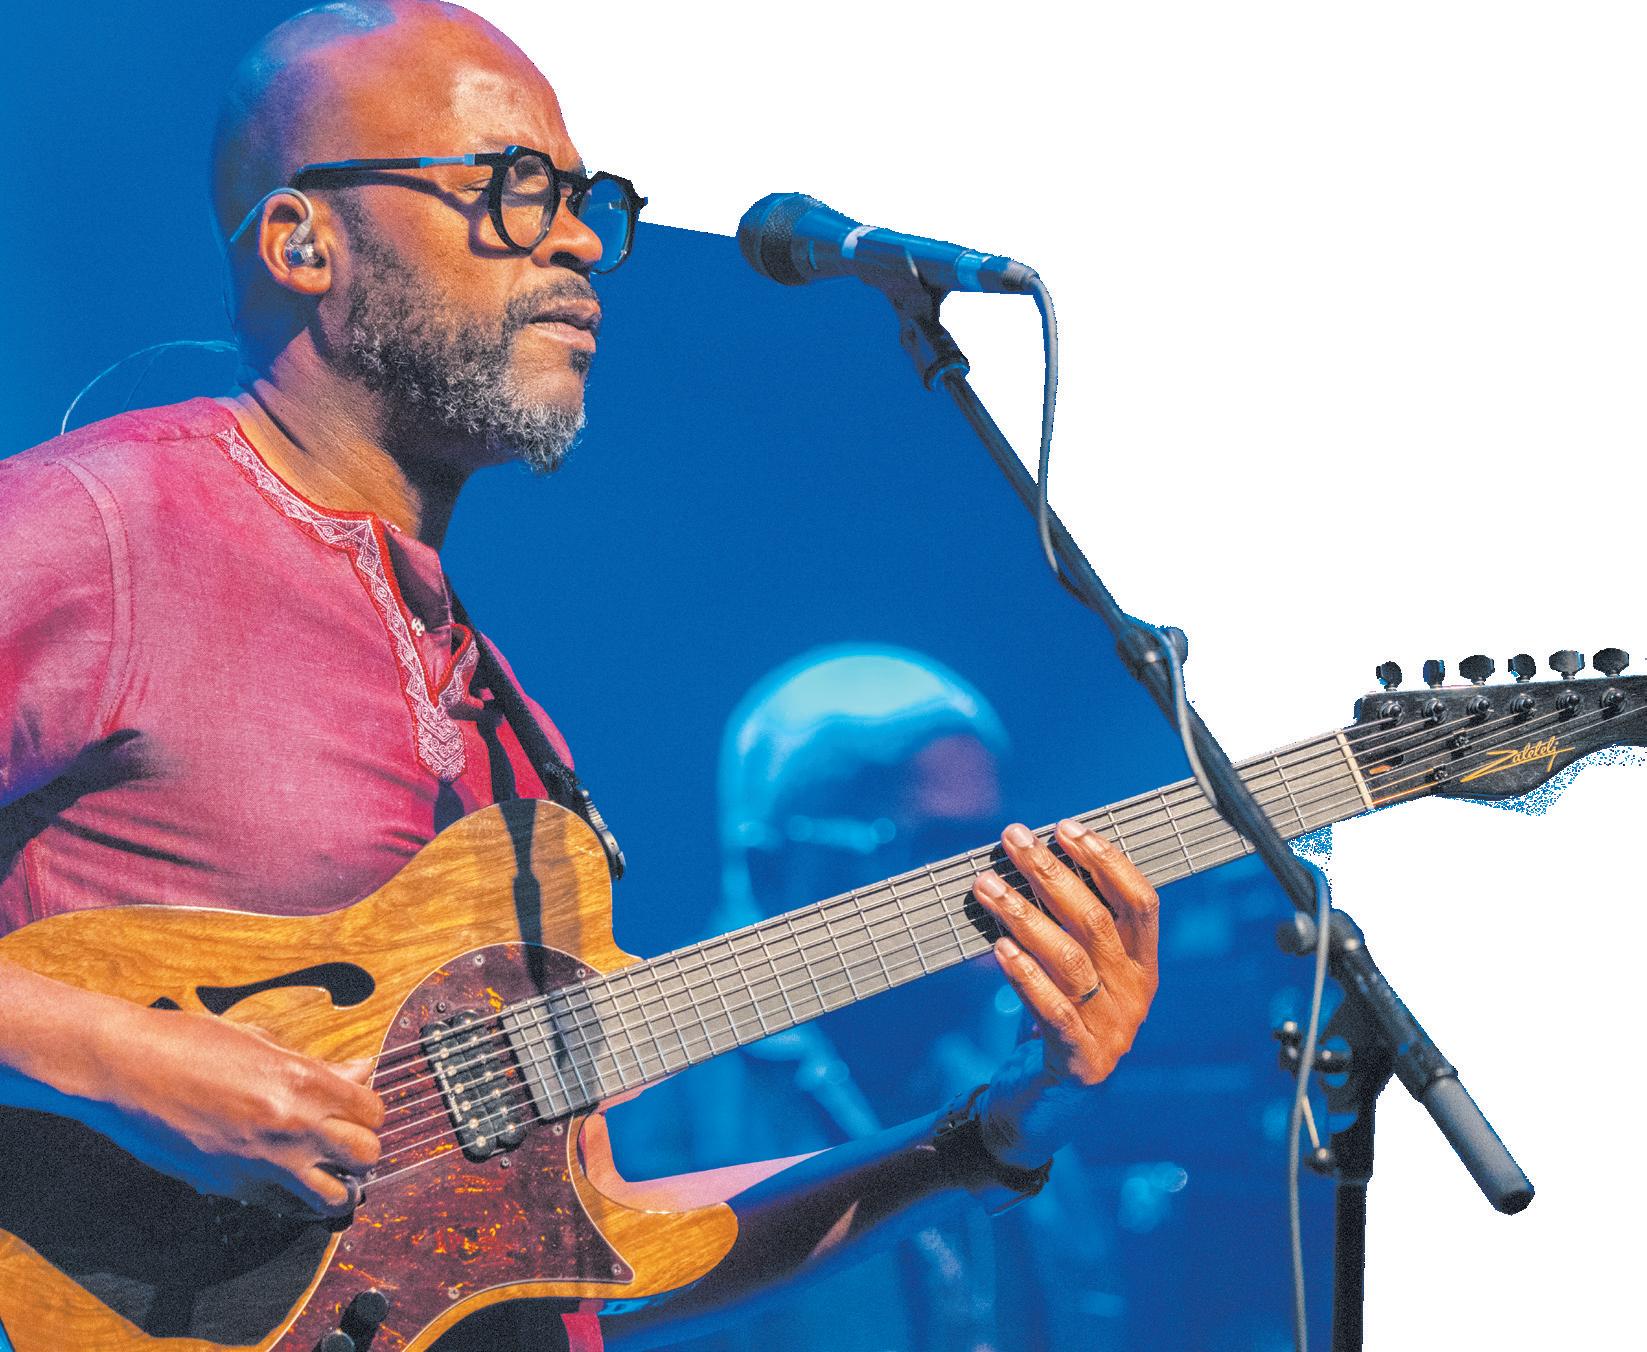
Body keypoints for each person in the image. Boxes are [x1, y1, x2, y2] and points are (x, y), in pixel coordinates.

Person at [0, 4, 1160, 1350]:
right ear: (303, 240)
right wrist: (119, 1058)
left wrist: (983, 1139)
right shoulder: (95, 530)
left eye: (580, 199)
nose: (577, 242)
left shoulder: (510, 730)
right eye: (510, 187)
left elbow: (591, 1255)